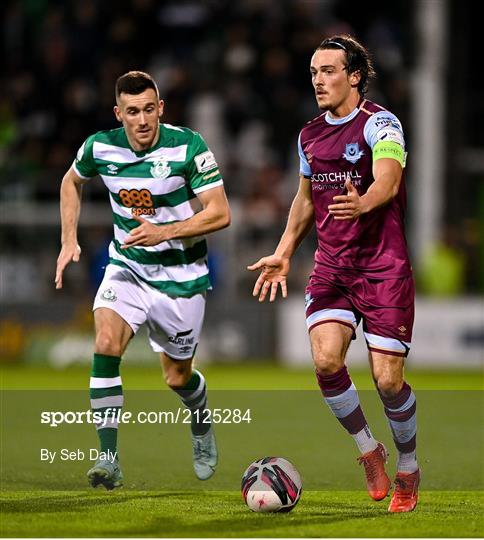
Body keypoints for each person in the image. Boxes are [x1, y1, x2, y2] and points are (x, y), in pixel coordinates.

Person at [248, 35, 419, 513]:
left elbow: (388, 177)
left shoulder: (381, 123)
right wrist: (284, 250)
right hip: (332, 267)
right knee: (326, 360)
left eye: (328, 71)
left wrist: (363, 201)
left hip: (383, 269)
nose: (319, 80)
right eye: (313, 73)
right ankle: (369, 450)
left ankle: (408, 466)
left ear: (355, 75)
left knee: (387, 381)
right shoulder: (308, 135)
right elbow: (304, 200)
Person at [55, 71, 230, 490]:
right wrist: (67, 240)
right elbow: (71, 180)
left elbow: (220, 212)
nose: (142, 119)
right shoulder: (100, 146)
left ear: (161, 109)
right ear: (119, 113)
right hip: (128, 266)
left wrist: (163, 231)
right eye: (132, 111)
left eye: (149, 109)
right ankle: (108, 458)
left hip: (181, 276)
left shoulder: (188, 146)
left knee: (176, 377)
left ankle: (201, 417)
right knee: (105, 343)